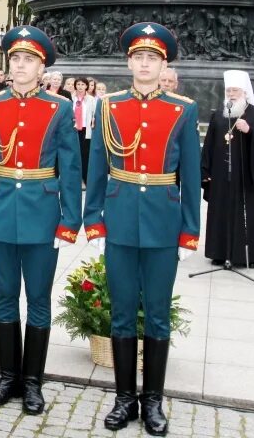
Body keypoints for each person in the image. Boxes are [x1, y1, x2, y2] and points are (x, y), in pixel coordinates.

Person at [83, 22, 200, 436]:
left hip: (162, 225)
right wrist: (92, 220)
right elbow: (96, 167)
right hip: (118, 221)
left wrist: (189, 231)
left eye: (152, 58)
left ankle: (153, 402)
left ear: (162, 63)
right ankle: (123, 399)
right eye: (138, 57)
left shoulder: (182, 109)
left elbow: (189, 172)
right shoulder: (110, 106)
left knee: (157, 315)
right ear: (129, 61)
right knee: (120, 314)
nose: (145, 64)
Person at [0, 26, 82, 413]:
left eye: (28, 60)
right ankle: (7, 377)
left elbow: (70, 167)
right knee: (4, 299)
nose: (20, 65)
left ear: (41, 67)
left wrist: (71, 221)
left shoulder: (58, 107)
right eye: (15, 58)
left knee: (37, 300)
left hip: (42, 215)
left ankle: (32, 382)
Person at [201, 70, 254, 269]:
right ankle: (219, 252)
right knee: (221, 212)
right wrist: (205, 172)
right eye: (228, 90)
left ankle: (248, 254)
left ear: (244, 92)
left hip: (246, 177)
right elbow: (208, 145)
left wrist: (251, 131)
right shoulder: (218, 115)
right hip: (221, 175)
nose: (231, 94)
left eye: (235, 90)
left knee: (246, 214)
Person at [73, 77, 97, 185]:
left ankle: (85, 179)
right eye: (78, 84)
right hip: (73, 130)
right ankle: (75, 179)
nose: (80, 87)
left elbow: (94, 114)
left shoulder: (91, 99)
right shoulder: (71, 98)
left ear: (87, 86)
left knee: (85, 155)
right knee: (74, 154)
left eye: (83, 84)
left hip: (86, 130)